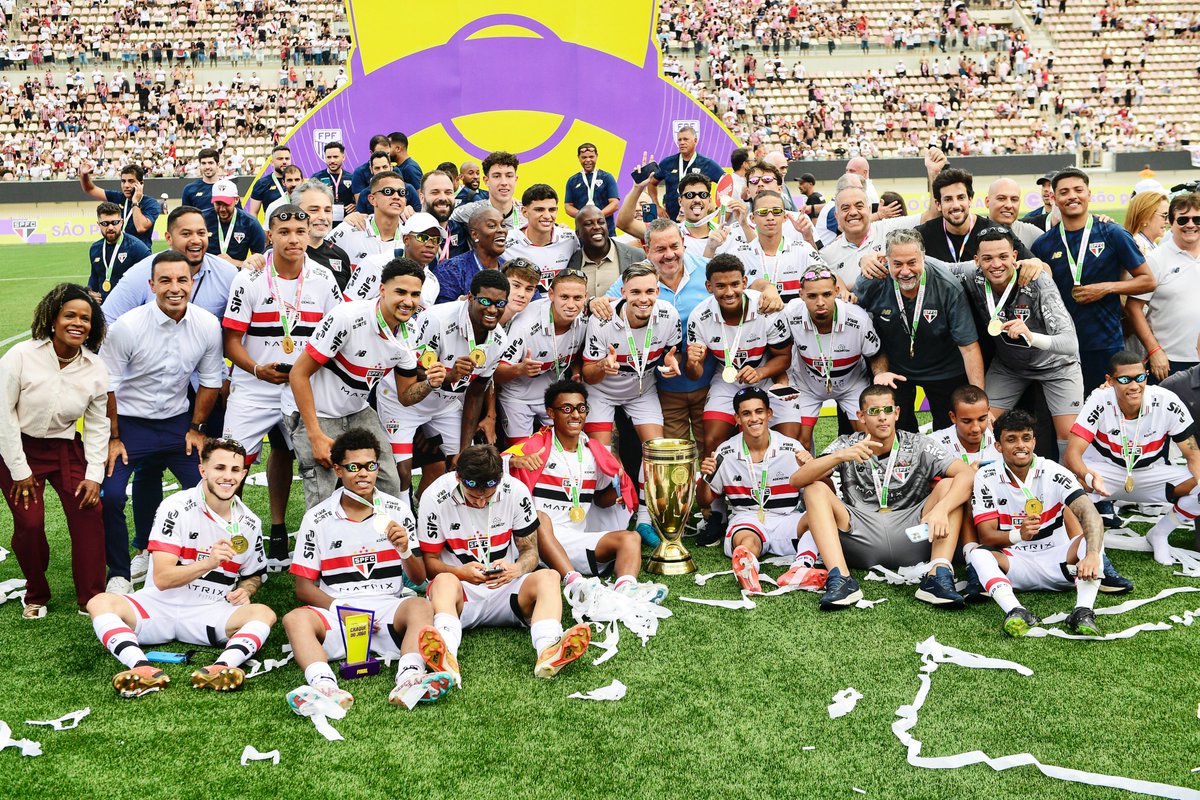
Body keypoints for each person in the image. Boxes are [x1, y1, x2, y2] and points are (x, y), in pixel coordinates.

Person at [85, 437, 276, 697]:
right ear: (203, 470)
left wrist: (246, 590)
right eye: (219, 468)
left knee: (264, 613)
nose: (227, 477)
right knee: (100, 602)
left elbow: (254, 575)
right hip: (157, 605)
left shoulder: (250, 522)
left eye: (234, 470)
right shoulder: (175, 507)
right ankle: (140, 667)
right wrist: (209, 562)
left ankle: (220, 668)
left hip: (209, 611)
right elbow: (163, 579)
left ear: (243, 474)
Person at [284, 429, 456, 714]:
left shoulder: (397, 510)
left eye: (370, 465)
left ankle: (409, 677)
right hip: (338, 612)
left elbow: (418, 578)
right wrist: (344, 610)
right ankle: (324, 686)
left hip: (387, 609)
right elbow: (303, 588)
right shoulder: (317, 518)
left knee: (421, 606)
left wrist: (405, 550)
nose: (363, 473)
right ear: (338, 470)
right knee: (295, 618)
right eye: (353, 467)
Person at [100, 252, 225, 593]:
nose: (175, 288)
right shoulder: (127, 326)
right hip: (129, 425)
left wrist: (196, 428)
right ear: (152, 285)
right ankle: (119, 572)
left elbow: (211, 379)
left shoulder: (206, 324)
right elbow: (106, 384)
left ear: (192, 283)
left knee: (207, 488)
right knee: (111, 496)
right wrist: (113, 437)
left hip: (176, 424)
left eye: (182, 280)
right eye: (165, 280)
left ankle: (194, 560)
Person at [222, 206, 342, 557]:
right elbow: (231, 341)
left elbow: (338, 332)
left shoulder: (323, 278)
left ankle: (311, 543)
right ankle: (230, 540)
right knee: (231, 463)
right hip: (254, 385)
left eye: (300, 232)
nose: (293, 239)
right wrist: (257, 369)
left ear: (308, 234)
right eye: (284, 231)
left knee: (319, 460)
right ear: (270, 235)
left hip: (304, 387)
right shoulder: (249, 278)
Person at [791, 384, 975, 610]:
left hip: (913, 530)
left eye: (887, 410)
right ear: (861, 416)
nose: (882, 417)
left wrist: (941, 509)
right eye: (873, 411)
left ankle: (938, 575)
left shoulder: (918, 443)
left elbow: (967, 474)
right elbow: (797, 480)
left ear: (897, 413)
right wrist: (840, 456)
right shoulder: (847, 444)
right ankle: (841, 579)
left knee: (949, 485)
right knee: (814, 488)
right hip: (859, 532)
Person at [420, 444, 593, 679]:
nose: (481, 503)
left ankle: (549, 650)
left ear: (499, 480)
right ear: (459, 478)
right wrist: (461, 573)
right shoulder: (434, 497)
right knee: (443, 581)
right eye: (473, 496)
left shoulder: (516, 490)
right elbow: (429, 564)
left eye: (488, 496)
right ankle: (446, 655)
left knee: (549, 576)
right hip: (462, 594)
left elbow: (531, 551)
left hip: (506, 591)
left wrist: (516, 569)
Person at [0, 285, 109, 618]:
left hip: (64, 448)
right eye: (69, 315)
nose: (78, 323)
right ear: (52, 320)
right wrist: (20, 470)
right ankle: (36, 592)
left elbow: (98, 425)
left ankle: (92, 597)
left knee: (89, 511)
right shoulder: (21, 355)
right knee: (30, 523)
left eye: (85, 318)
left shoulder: (95, 367)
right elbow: (3, 414)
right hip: (17, 448)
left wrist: (94, 475)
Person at [968, 410, 1127, 638]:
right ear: (998, 446)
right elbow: (986, 536)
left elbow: (1089, 513)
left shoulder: (1054, 471)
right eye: (1011, 439)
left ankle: (1083, 611)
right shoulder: (986, 476)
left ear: (1034, 441)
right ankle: (1016, 610)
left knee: (1093, 537)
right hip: (1015, 565)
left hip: (1059, 562)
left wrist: (1092, 554)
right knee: (978, 553)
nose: (1020, 445)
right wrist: (1019, 534)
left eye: (1026, 438)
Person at [287, 260, 427, 509]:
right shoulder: (347, 317)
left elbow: (406, 396)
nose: (408, 301)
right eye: (400, 292)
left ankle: (378, 534)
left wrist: (432, 384)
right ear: (382, 290)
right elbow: (298, 374)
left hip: (357, 410)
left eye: (415, 294)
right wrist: (315, 435)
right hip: (317, 411)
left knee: (389, 484)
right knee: (322, 498)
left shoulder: (410, 332)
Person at [504, 380, 654, 595]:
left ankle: (626, 590)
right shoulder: (535, 447)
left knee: (631, 538)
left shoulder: (594, 452)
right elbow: (484, 470)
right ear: (551, 413)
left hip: (576, 538)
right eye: (567, 409)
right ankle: (576, 584)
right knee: (539, 518)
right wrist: (513, 461)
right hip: (537, 543)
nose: (576, 415)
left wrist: (617, 492)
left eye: (581, 408)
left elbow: (600, 500)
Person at [952, 227, 1083, 454]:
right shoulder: (973, 275)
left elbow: (1070, 343)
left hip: (1057, 366)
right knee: (982, 425)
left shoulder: (1037, 280)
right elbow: (929, 263)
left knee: (1070, 439)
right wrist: (884, 259)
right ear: (976, 260)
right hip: (1010, 367)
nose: (996, 264)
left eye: (1003, 256)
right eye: (987, 258)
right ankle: (988, 475)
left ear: (1014, 256)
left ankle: (1064, 478)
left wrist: (1032, 337)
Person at [1063, 351, 1200, 564]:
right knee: (1065, 484)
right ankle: (1083, 547)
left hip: (1151, 474)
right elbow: (1072, 454)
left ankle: (1159, 534)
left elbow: (1193, 454)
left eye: (1140, 378)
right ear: (1110, 381)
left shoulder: (1166, 400)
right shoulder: (1099, 398)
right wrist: (1089, 477)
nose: (1135, 386)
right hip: (1105, 473)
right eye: (1125, 380)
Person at [375, 270, 511, 476]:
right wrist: (449, 376)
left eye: (500, 303)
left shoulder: (499, 340)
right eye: (485, 301)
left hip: (445, 406)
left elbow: (476, 393)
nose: (492, 309)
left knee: (466, 465)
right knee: (402, 472)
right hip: (401, 401)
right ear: (471, 297)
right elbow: (410, 370)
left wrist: (464, 449)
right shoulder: (437, 319)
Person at [1031, 167, 1155, 391]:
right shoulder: (1043, 244)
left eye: (1078, 190)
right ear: (1054, 198)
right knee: (1070, 410)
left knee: (1109, 405)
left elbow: (1147, 280)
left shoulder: (1112, 233)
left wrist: (1107, 288)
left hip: (1105, 343)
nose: (1072, 196)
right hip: (1061, 346)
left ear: (1089, 194)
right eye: (1064, 192)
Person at [855, 228, 985, 432]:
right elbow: (858, 322)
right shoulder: (872, 281)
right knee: (896, 431)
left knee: (949, 431)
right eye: (897, 264)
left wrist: (979, 399)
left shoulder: (947, 286)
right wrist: (880, 372)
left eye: (912, 263)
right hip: (896, 370)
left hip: (944, 369)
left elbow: (968, 348)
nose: (905, 271)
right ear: (886, 260)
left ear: (923, 258)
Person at [699, 387, 822, 594]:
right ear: (737, 418)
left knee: (820, 519)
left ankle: (801, 568)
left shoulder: (791, 447)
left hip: (787, 518)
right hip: (748, 518)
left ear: (769, 414)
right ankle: (748, 566)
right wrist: (705, 478)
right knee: (747, 539)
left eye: (759, 411)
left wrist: (812, 469)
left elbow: (825, 492)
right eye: (746, 413)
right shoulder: (725, 452)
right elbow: (703, 501)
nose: (754, 418)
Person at [684, 254, 791, 457]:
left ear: (744, 282)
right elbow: (694, 374)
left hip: (766, 375)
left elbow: (785, 358)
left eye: (734, 284)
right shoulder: (699, 316)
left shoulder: (765, 307)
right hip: (728, 379)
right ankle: (720, 479)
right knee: (712, 441)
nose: (729, 292)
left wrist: (760, 373)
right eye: (721, 286)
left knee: (789, 437)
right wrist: (692, 362)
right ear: (709, 286)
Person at [774, 266, 880, 453]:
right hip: (807, 385)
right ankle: (811, 473)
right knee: (799, 444)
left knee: (868, 438)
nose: (820, 302)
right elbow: (777, 350)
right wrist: (782, 380)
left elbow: (875, 354)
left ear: (837, 291)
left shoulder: (858, 318)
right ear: (801, 295)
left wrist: (880, 374)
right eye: (812, 296)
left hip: (852, 384)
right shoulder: (790, 313)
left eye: (827, 294)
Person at [582, 261, 682, 448]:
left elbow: (675, 354)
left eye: (649, 292)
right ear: (623, 293)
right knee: (602, 454)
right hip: (601, 393)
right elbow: (588, 375)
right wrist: (602, 365)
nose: (643, 299)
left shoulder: (669, 314)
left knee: (656, 451)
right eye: (635, 292)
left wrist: (672, 361)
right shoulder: (602, 320)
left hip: (642, 392)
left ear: (657, 292)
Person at [102, 206, 239, 322]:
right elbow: (107, 319)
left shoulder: (227, 274)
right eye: (186, 234)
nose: (196, 240)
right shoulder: (142, 272)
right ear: (169, 238)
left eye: (201, 233)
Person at [496, 268, 588, 438]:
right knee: (522, 451)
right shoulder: (525, 324)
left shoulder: (585, 318)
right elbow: (496, 373)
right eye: (564, 297)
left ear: (586, 297)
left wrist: (576, 373)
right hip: (518, 398)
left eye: (577, 298)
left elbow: (579, 351)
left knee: (567, 445)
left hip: (554, 395)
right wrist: (519, 369)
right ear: (551, 294)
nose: (571, 305)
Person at [1127, 192, 1200, 380]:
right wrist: (1154, 350)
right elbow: (1133, 307)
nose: (1190, 224)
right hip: (1170, 361)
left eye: (1197, 219)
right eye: (1183, 220)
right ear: (1171, 223)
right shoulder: (1156, 259)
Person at [344, 211, 443, 306]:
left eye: (436, 240)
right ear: (406, 239)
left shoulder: (432, 283)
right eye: (422, 238)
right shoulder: (375, 265)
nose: (431, 245)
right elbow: (346, 309)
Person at [326, 170, 408, 274]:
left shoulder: (410, 238)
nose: (396, 196)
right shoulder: (349, 229)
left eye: (402, 193)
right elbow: (317, 254)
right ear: (372, 199)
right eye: (388, 191)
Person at [502, 184, 580, 291]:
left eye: (552, 210)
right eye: (539, 210)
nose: (547, 216)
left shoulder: (570, 238)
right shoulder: (506, 241)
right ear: (524, 212)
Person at [449, 151, 525, 257]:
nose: (504, 182)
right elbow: (441, 220)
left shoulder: (527, 213)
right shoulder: (471, 211)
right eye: (497, 176)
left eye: (509, 176)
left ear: (515, 179)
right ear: (486, 181)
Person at [565, 205, 644, 302]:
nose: (597, 227)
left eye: (601, 222)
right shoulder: (571, 263)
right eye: (588, 224)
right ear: (578, 233)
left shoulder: (637, 256)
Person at [648, 125, 725, 221]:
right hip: (672, 220)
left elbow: (727, 183)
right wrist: (657, 206)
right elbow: (651, 183)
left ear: (695, 141)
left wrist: (715, 204)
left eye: (685, 139)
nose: (682, 143)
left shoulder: (707, 164)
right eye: (679, 140)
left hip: (698, 221)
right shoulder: (667, 163)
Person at [432, 206, 506, 304]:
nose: (501, 230)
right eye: (492, 226)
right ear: (474, 234)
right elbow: (441, 310)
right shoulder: (451, 270)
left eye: (503, 225)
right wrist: (463, 303)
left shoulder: (510, 270)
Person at [78, 160, 161, 248]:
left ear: (141, 183)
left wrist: (135, 202)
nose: (126, 185)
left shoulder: (150, 203)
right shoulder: (118, 197)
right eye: (123, 181)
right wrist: (84, 175)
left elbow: (141, 227)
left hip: (140, 253)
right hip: (118, 252)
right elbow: (90, 189)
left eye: (131, 181)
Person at [293, 179, 354, 293]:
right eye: (314, 210)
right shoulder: (279, 254)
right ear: (295, 213)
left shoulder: (340, 255)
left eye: (327, 210)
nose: (323, 217)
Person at [87, 201, 150, 302]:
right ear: (98, 224)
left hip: (129, 307)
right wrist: (90, 294)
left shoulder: (137, 247)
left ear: (121, 222)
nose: (110, 227)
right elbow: (94, 278)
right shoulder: (95, 248)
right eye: (105, 224)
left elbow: (151, 279)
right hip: (104, 307)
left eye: (114, 223)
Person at [929, 385, 1002, 466]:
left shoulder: (1002, 439)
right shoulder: (934, 444)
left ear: (988, 411)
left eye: (982, 419)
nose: (976, 428)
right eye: (967, 421)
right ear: (953, 417)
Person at [203, 179, 266, 266]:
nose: (222, 209)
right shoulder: (201, 219)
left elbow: (261, 263)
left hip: (238, 272)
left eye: (226, 204)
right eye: (218, 204)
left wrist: (233, 262)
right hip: (206, 271)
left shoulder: (250, 223)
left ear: (236, 200)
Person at [563, 143, 619, 235]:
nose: (588, 160)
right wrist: (584, 216)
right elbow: (568, 207)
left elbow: (614, 204)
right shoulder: (572, 181)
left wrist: (597, 216)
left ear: (596, 156)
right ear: (579, 158)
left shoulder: (607, 177)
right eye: (584, 157)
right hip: (583, 233)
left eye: (591, 157)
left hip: (607, 231)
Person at [311, 141, 356, 222]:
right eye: (328, 157)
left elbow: (361, 199)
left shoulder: (352, 178)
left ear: (343, 157)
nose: (332, 160)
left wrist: (356, 205)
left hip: (347, 222)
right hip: (324, 221)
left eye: (335, 157)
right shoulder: (316, 178)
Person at [245, 144, 292, 216]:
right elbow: (253, 213)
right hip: (270, 223)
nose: (284, 161)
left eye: (287, 158)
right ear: (272, 162)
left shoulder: (298, 182)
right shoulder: (262, 183)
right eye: (280, 159)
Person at [181, 147, 222, 212]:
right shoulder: (189, 189)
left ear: (218, 165)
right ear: (199, 165)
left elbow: (237, 214)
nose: (207, 167)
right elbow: (186, 215)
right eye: (203, 163)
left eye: (211, 163)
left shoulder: (228, 187)